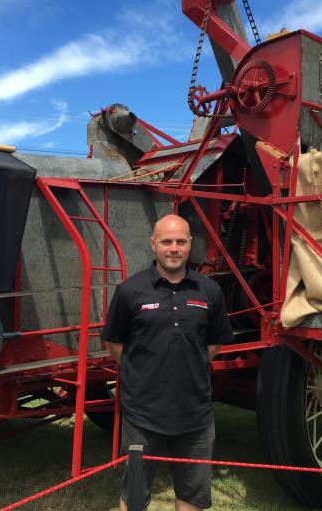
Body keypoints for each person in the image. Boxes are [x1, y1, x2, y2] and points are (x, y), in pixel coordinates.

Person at [101, 214, 234, 511]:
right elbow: (114, 342)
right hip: (142, 416)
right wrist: (146, 371)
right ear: (153, 244)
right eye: (166, 242)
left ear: (190, 245)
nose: (173, 248)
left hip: (195, 416)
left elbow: (214, 343)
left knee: (192, 496)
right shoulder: (130, 291)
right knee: (135, 496)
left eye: (180, 242)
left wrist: (188, 364)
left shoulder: (209, 291)